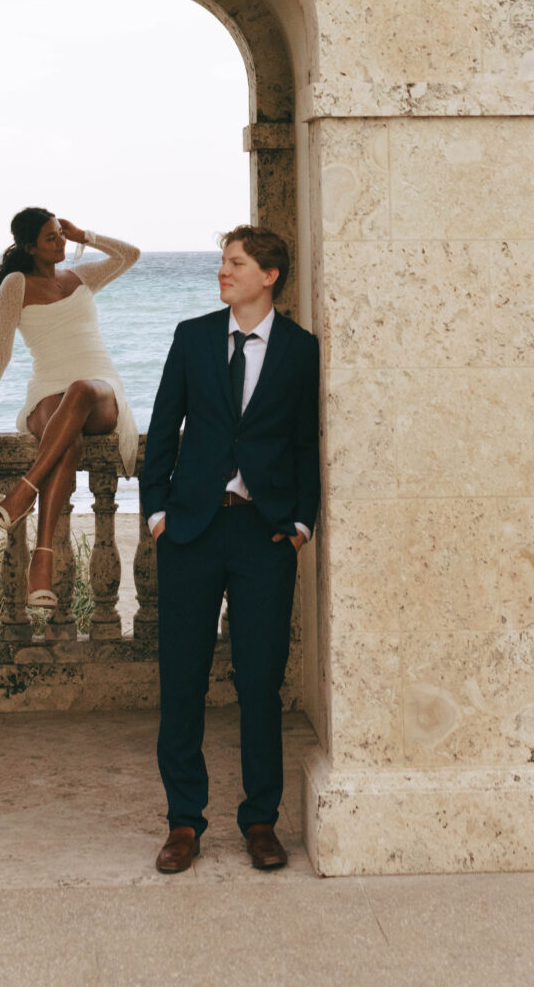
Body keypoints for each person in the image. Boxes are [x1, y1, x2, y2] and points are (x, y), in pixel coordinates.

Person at [139, 224, 319, 875]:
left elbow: (304, 443)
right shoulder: (192, 337)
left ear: (268, 275)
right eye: (223, 262)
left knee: (260, 681)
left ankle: (260, 820)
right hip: (189, 530)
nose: (223, 272)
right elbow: (163, 426)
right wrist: (155, 510)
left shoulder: (300, 350)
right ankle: (183, 822)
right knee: (181, 679)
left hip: (262, 534)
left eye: (235, 263)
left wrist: (300, 523)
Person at [0, 207, 140, 617]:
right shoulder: (16, 285)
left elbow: (130, 255)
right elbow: (0, 352)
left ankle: (21, 493)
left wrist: (85, 234)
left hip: (98, 388)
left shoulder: (81, 277)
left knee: (81, 389)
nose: (61, 243)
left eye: (60, 234)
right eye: (51, 237)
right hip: (48, 391)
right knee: (65, 446)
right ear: (29, 247)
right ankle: (41, 564)